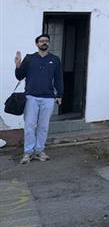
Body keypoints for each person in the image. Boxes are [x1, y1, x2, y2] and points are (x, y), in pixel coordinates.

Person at [14, 34, 63, 164]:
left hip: (48, 98)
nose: (44, 43)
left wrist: (59, 95)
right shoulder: (29, 59)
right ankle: (28, 152)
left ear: (49, 44)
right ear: (36, 44)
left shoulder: (55, 59)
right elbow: (19, 77)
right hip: (31, 97)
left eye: (46, 41)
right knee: (30, 125)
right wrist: (18, 65)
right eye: (41, 41)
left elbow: (58, 78)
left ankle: (39, 150)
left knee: (43, 126)